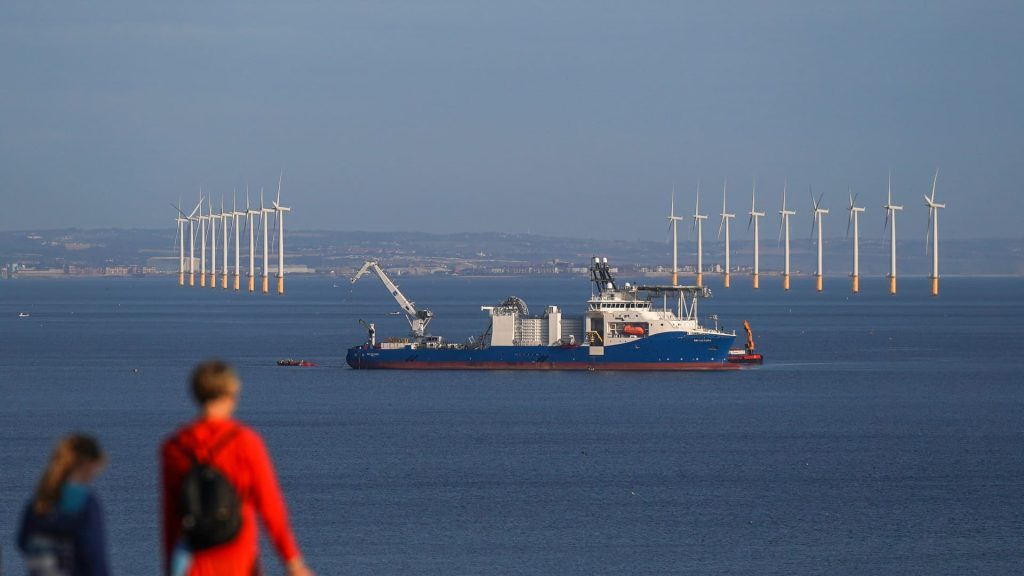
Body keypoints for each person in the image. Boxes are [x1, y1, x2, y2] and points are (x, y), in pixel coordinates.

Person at [160, 360, 313, 576]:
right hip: (239, 559)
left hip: (195, 561)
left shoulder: (173, 448)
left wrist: (169, 565)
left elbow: (171, 517)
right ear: (230, 394)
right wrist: (293, 562)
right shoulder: (246, 442)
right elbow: (271, 507)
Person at [18, 434, 110, 576]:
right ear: (89, 464)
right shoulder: (86, 503)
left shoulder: (37, 504)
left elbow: (22, 542)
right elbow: (94, 555)